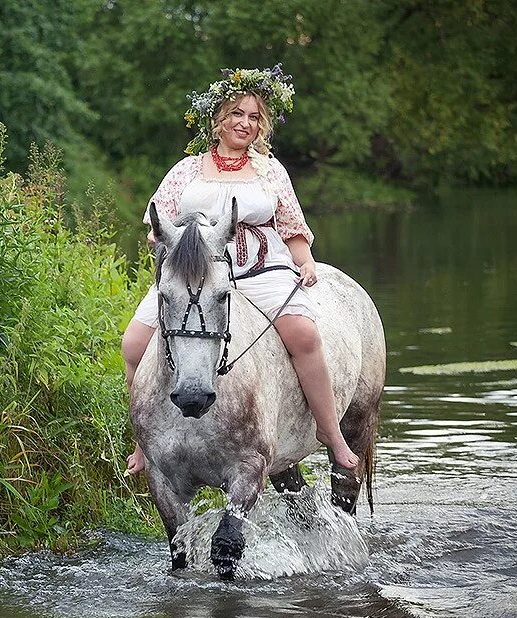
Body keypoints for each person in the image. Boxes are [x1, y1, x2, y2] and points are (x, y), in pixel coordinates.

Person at [123, 65, 359, 476]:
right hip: (196, 273)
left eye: (253, 117)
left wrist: (303, 261)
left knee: (303, 334)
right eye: (236, 114)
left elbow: (291, 226)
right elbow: (158, 226)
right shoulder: (187, 170)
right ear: (218, 120)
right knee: (133, 342)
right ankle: (145, 444)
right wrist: (174, 242)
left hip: (261, 268)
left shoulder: (270, 171)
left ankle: (330, 433)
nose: (244, 123)